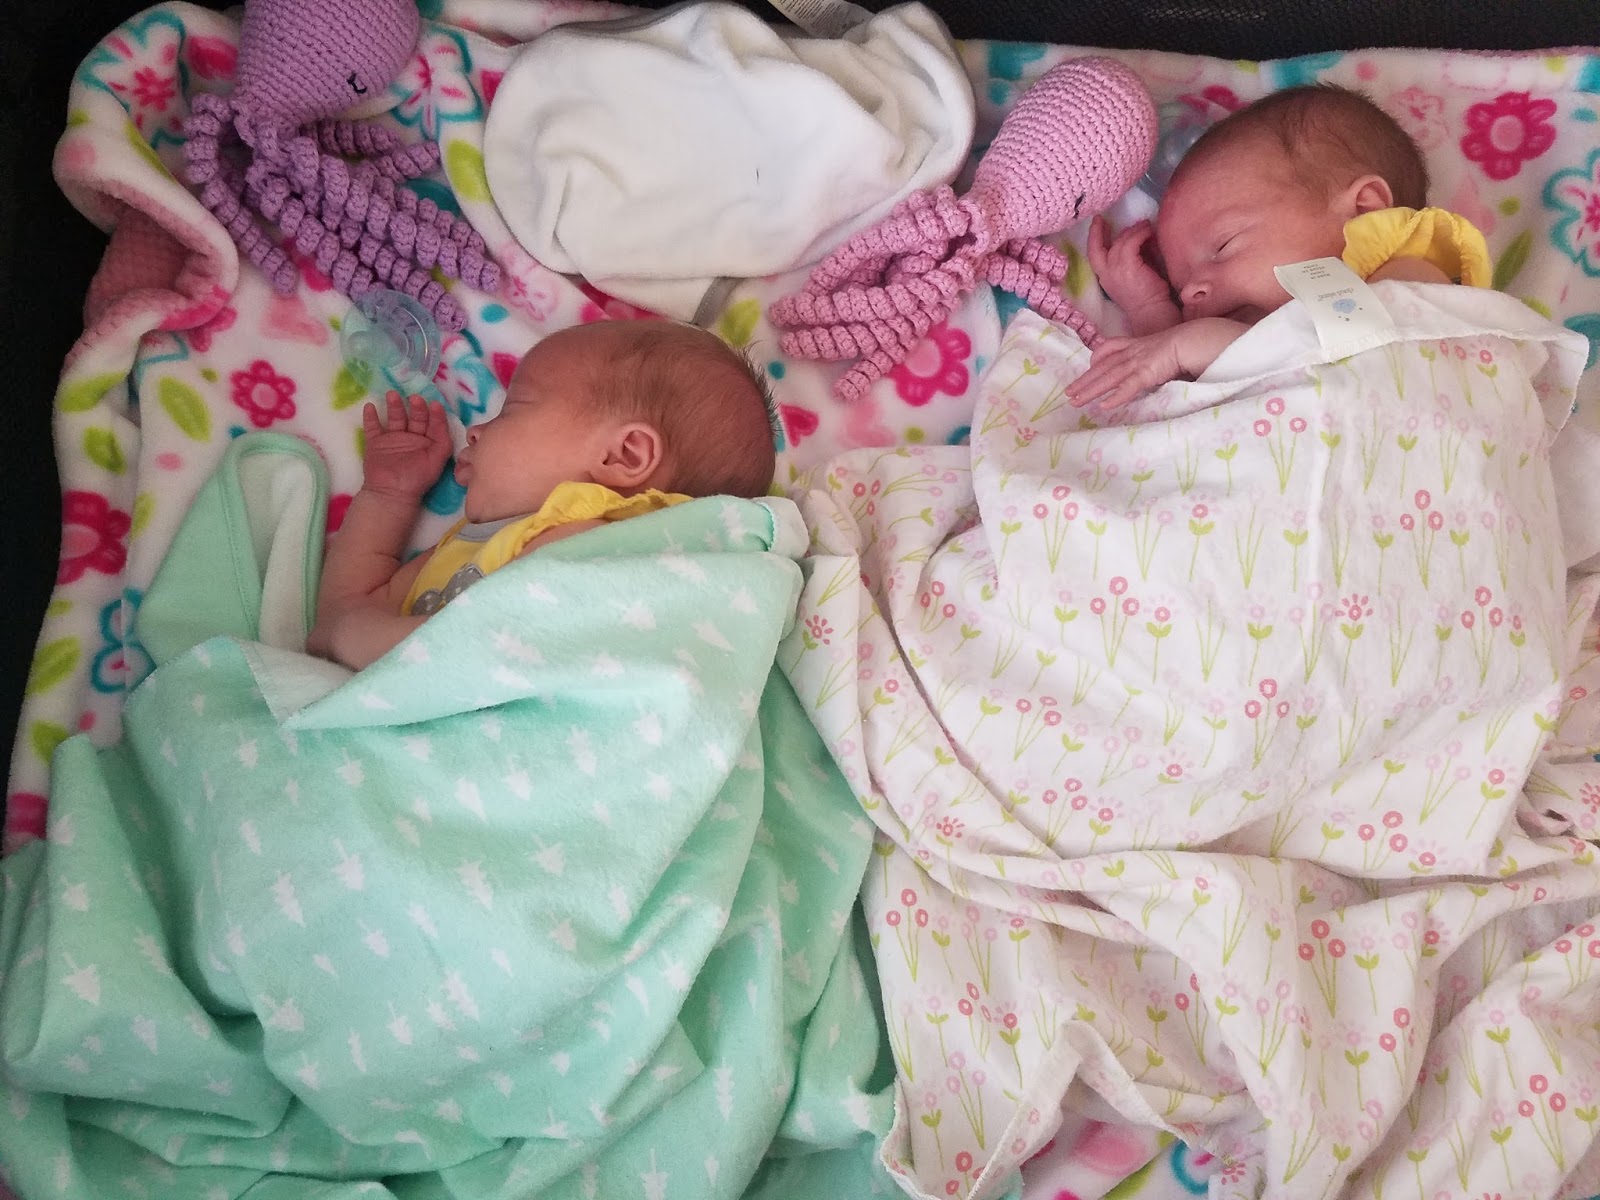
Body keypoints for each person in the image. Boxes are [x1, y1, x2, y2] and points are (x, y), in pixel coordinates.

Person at [307, 319, 777, 670]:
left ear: (624, 455)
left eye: (513, 408)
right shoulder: (474, 545)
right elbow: (338, 618)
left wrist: (355, 638)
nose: (475, 431)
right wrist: (389, 493)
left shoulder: (595, 544)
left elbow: (468, 650)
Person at [1066, 83, 1491, 410]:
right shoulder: (1228, 337)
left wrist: (1183, 344)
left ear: (1364, 210)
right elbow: (1187, 393)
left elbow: (1350, 351)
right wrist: (1152, 312)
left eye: (1224, 246)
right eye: (1181, 288)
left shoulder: (1416, 274)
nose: (1192, 291)